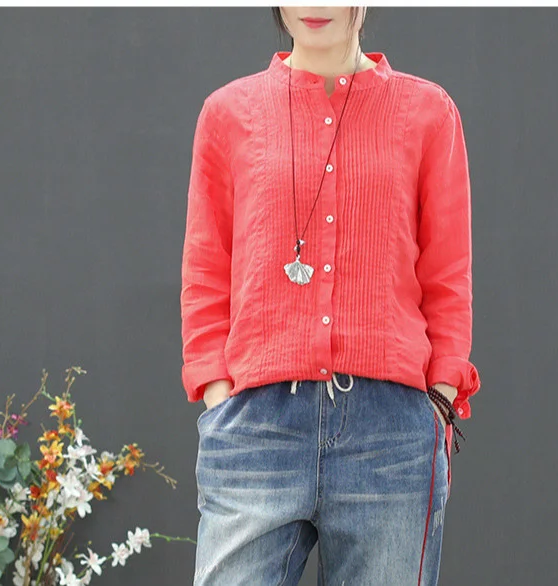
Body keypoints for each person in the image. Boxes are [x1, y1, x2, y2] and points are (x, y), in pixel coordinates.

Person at [180, 6, 481, 585]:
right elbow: (206, 267)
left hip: (390, 438)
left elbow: (448, 274)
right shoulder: (229, 112)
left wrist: (440, 399)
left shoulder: (427, 111)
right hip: (257, 427)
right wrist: (217, 395)